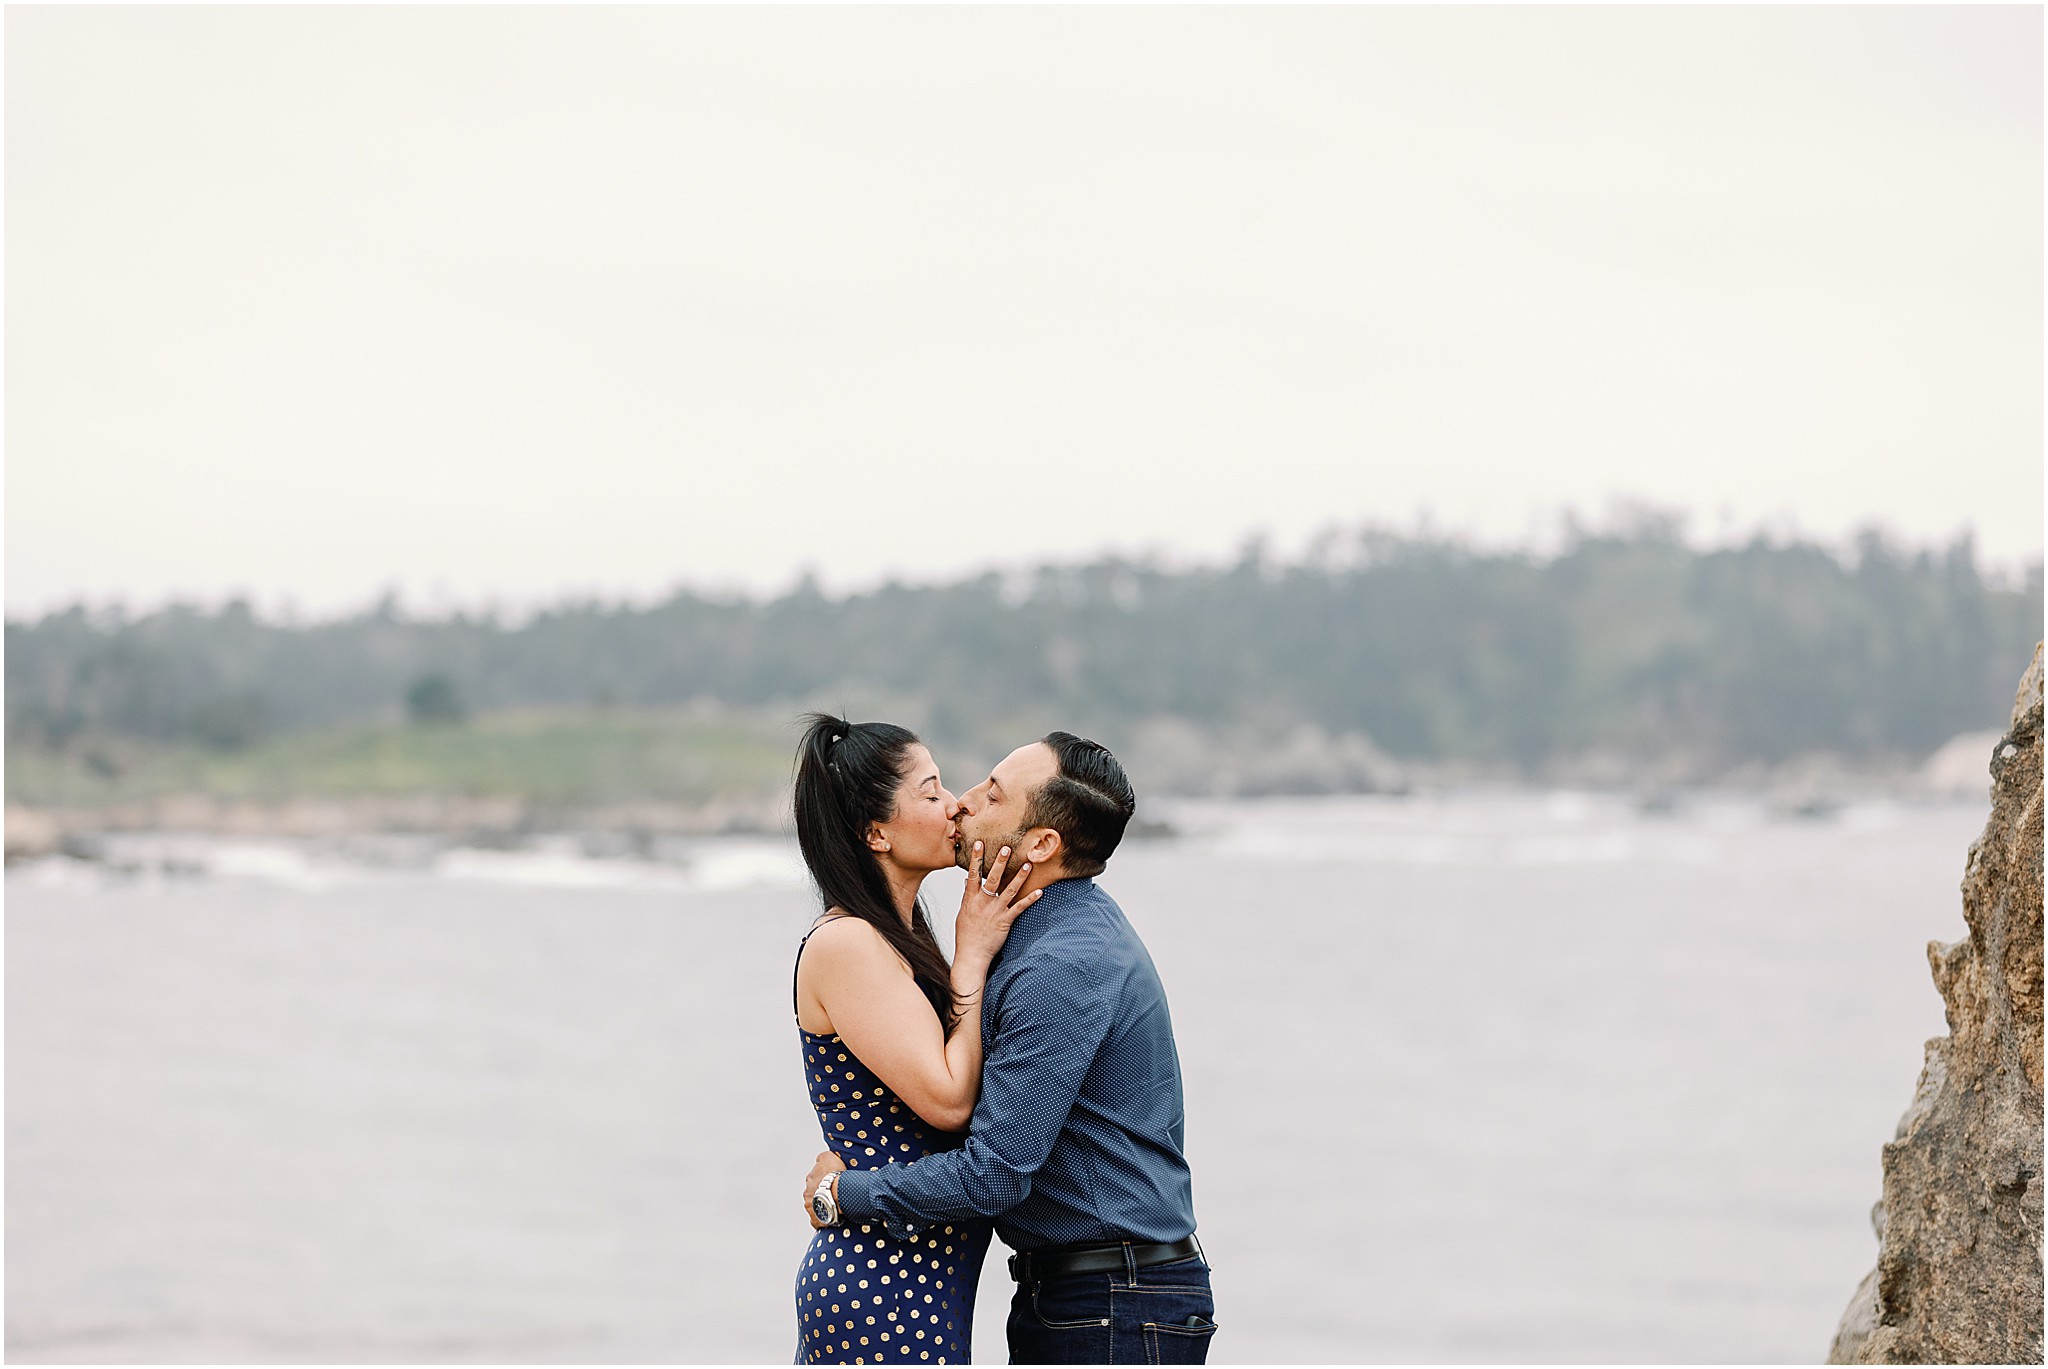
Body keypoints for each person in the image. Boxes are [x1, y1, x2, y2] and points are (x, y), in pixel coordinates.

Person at [804, 732, 1217, 1365]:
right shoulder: (1013, 935)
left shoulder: (1061, 961)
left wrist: (848, 1195)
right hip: (1075, 1293)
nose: (963, 803)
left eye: (990, 794)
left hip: (1110, 1299)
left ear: (1042, 844)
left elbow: (994, 1171)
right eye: (939, 788)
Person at [789, 714, 1043, 1365]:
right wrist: (975, 951)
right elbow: (951, 1099)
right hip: (883, 1286)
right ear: (876, 831)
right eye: (930, 792)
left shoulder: (897, 939)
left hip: (917, 1282)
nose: (955, 803)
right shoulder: (848, 942)